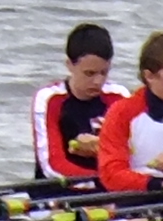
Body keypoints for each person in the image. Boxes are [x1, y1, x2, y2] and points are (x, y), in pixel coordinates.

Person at [96, 30, 163, 198]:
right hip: (137, 201)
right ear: (149, 76)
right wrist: (160, 184)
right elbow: (112, 174)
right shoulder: (121, 113)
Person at [31, 23, 124, 184]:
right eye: (89, 73)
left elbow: (133, 153)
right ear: (70, 65)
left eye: (104, 72)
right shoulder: (49, 99)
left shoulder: (118, 96)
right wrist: (103, 179)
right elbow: (52, 166)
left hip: (109, 187)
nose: (98, 81)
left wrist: (99, 147)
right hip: (60, 192)